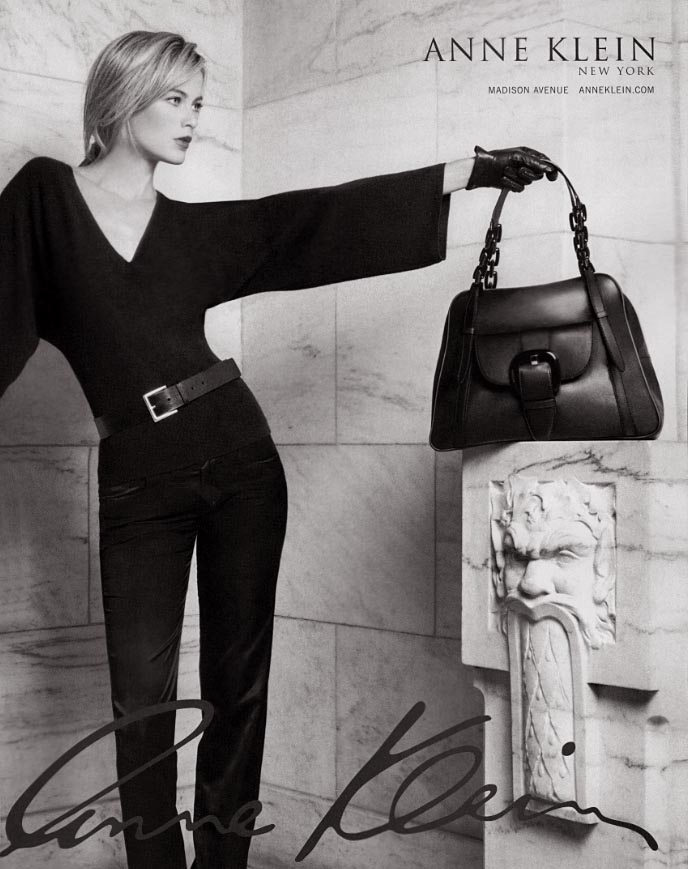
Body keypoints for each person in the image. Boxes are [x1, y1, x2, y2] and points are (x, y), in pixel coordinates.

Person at [0, 29, 557, 869]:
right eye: (174, 98)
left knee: (238, 689)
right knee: (140, 704)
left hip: (242, 461)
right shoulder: (44, 198)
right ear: (122, 97)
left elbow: (307, 222)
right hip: (137, 483)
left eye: (198, 101)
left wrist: (466, 171)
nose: (193, 118)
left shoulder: (191, 231)